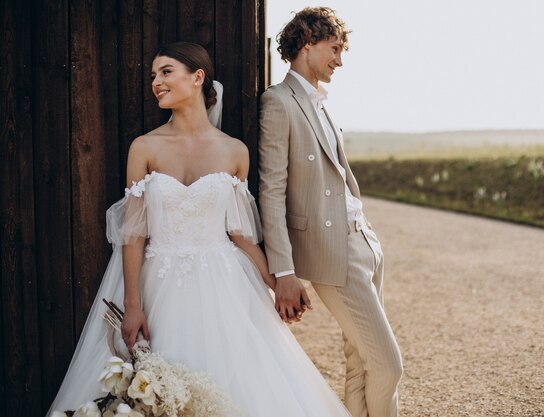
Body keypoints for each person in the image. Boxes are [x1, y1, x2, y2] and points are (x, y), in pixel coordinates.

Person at [47, 42, 351, 417]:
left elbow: (240, 234)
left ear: (197, 77)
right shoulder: (144, 147)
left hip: (224, 282)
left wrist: (279, 282)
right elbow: (134, 234)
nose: (156, 82)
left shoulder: (235, 151)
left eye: (166, 72)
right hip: (157, 281)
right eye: (153, 75)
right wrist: (132, 305)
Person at [259, 8, 403, 417]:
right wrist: (284, 271)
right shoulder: (278, 102)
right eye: (334, 49)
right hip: (332, 251)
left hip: (364, 243)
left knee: (361, 362)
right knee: (389, 366)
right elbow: (272, 190)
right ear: (307, 41)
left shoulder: (319, 102)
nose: (339, 61)